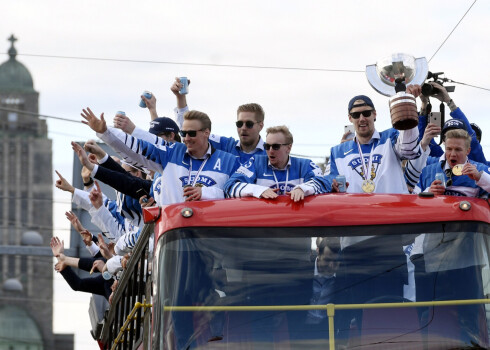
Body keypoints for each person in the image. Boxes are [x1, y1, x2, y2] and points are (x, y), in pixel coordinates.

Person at [325, 89, 422, 194]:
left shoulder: (391, 137)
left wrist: (407, 106)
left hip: (390, 208)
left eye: (366, 113)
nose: (362, 119)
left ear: (374, 114)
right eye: (356, 115)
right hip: (356, 210)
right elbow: (327, 182)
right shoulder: (337, 152)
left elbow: (410, 150)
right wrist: (332, 186)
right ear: (350, 118)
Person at [171, 77, 267, 165]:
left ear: (261, 126)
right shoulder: (226, 145)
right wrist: (180, 97)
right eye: (239, 124)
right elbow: (191, 129)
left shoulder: (272, 151)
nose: (243, 128)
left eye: (249, 124)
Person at [224, 125, 329, 201]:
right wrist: (258, 190)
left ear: (289, 147)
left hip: (296, 225)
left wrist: (303, 189)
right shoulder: (256, 163)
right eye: (267, 146)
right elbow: (230, 186)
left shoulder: (304, 165)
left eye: (275, 146)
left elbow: (324, 183)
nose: (270, 151)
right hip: (265, 224)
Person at [418, 82, 487, 164]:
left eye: (460, 134)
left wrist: (449, 102)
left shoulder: (479, 164)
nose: (455, 137)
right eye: (449, 135)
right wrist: (424, 104)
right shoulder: (440, 162)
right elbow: (425, 141)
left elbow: (473, 141)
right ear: (444, 141)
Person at [414, 128, 490, 197]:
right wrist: (428, 192)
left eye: (458, 149)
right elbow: (413, 199)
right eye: (449, 149)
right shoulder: (427, 171)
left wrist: (480, 178)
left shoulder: (481, 170)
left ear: (468, 151)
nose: (453, 154)